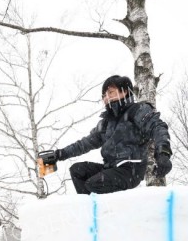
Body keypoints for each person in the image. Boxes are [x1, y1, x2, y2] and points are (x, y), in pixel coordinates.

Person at [40, 75, 173, 195]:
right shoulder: (106, 123)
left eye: (111, 92)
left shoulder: (137, 111)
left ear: (124, 92)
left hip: (130, 169)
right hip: (110, 168)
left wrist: (163, 154)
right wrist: (59, 155)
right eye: (104, 95)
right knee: (77, 170)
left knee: (94, 183)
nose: (106, 97)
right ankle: (90, 212)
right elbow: (84, 144)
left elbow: (158, 127)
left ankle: (108, 213)